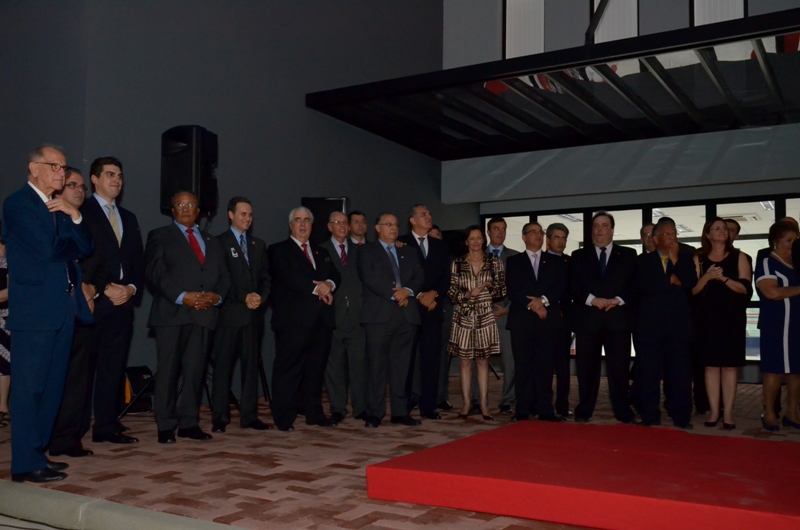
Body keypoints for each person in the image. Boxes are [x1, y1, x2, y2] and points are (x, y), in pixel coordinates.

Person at [2, 144, 94, 483]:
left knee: (53, 387)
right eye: (55, 166)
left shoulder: (60, 207)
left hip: (63, 308)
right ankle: (25, 464)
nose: (62, 173)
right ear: (34, 168)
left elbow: (87, 247)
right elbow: (48, 249)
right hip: (35, 311)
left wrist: (75, 215)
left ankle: (38, 453)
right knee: (29, 389)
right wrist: (69, 241)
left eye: (64, 167)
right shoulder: (18, 204)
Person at [145, 191, 230, 444]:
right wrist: (183, 296)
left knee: (195, 373)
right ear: (172, 210)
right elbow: (155, 273)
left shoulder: (212, 241)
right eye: (180, 204)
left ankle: (189, 423)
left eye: (190, 204)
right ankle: (165, 426)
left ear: (198, 211)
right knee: (168, 373)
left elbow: (224, 276)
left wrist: (216, 297)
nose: (185, 208)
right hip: (172, 315)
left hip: (204, 315)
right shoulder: (160, 235)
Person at [79, 157, 144, 446]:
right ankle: (75, 429)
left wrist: (130, 289)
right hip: (94, 301)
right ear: (94, 179)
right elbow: (82, 259)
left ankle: (106, 426)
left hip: (123, 304)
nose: (117, 179)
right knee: (84, 370)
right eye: (109, 174)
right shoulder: (82, 211)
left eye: (119, 175)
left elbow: (138, 261)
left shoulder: (129, 217)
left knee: (113, 367)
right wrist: (103, 288)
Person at [49, 168, 108, 458]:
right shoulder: (47, 218)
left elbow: (102, 260)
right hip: (52, 310)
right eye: (72, 185)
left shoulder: (87, 222)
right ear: (58, 188)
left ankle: (68, 439)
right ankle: (46, 437)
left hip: (82, 311)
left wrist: (93, 289)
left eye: (82, 187)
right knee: (51, 379)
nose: (78, 191)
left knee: (77, 380)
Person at [268, 206, 340, 431]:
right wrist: (319, 289)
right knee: (288, 371)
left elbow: (334, 274)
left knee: (316, 370)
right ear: (291, 225)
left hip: (321, 321)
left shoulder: (321, 252)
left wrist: (329, 284)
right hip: (293, 322)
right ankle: (284, 418)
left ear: (312, 225)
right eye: (298, 220)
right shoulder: (278, 250)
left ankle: (314, 413)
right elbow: (289, 277)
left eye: (307, 220)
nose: (302, 224)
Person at [211, 197, 272, 433]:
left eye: (250, 215)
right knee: (223, 368)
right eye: (243, 214)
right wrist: (244, 296)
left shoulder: (258, 244)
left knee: (250, 369)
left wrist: (260, 297)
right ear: (231, 215)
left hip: (253, 317)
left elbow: (266, 278)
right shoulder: (219, 243)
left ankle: (249, 417)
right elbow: (222, 278)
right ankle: (220, 418)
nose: (247, 218)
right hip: (229, 316)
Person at [358, 212, 424, 428]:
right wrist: (396, 294)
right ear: (377, 228)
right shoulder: (367, 251)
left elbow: (419, 275)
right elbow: (369, 278)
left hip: (406, 316)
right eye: (388, 224)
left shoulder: (409, 251)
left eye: (395, 225)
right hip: (378, 317)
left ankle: (400, 412)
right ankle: (375, 412)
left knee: (401, 367)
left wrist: (408, 291)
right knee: (376, 367)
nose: (393, 228)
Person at [570, 212, 637, 424]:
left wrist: (618, 299)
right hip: (588, 321)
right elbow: (573, 284)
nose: (599, 230)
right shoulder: (578, 255)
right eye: (596, 226)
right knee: (586, 370)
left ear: (612, 230)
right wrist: (592, 299)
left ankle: (622, 411)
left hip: (618, 321)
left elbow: (635, 284)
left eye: (604, 225)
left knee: (619, 370)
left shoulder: (629, 255)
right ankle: (584, 410)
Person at [634, 217, 697, 429]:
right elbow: (644, 286)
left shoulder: (685, 258)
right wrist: (670, 280)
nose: (671, 238)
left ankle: (681, 416)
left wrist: (675, 260)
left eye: (674, 234)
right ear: (655, 239)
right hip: (650, 327)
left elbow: (690, 283)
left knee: (680, 374)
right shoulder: (642, 261)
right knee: (649, 374)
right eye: (666, 234)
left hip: (678, 327)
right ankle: (650, 415)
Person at [691, 217, 751, 430]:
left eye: (724, 228)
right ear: (707, 234)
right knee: (710, 366)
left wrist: (724, 279)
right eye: (716, 228)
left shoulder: (739, 256)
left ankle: (728, 413)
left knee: (729, 367)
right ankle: (714, 411)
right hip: (706, 319)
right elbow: (692, 291)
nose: (721, 231)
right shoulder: (699, 258)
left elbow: (745, 289)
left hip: (732, 319)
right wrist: (707, 277)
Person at [505, 222, 567, 422]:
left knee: (545, 367)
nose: (538, 235)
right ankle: (522, 410)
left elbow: (560, 287)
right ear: (524, 237)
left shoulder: (555, 261)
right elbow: (513, 288)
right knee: (523, 367)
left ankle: (545, 410)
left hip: (547, 321)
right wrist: (533, 305)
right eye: (533, 232)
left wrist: (543, 301)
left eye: (540, 232)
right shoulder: (514, 261)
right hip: (522, 321)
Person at [447, 226, 506, 420]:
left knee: (482, 360)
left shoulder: (494, 262)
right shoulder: (457, 263)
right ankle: (466, 403)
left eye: (479, 238)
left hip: (485, 315)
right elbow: (451, 292)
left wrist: (489, 287)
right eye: (472, 238)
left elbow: (502, 289)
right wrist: (468, 294)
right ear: (466, 242)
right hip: (463, 315)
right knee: (464, 361)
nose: (475, 242)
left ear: (483, 240)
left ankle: (484, 404)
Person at [398, 204, 450, 420]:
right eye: (423, 214)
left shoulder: (440, 246)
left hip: (433, 308)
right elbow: (399, 276)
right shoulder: (401, 243)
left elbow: (446, 276)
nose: (429, 217)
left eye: (429, 214)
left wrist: (434, 294)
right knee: (407, 359)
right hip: (409, 308)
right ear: (412, 220)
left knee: (431, 359)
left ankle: (429, 406)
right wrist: (420, 295)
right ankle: (406, 403)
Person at [322, 211, 367, 424]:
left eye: (344, 223)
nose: (342, 226)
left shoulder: (361, 251)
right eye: (337, 222)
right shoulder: (321, 250)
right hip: (333, 317)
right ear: (329, 227)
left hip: (358, 317)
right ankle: (338, 408)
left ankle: (361, 408)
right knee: (334, 368)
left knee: (359, 366)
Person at [755, 220, 800, 432]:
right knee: (774, 370)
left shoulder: (798, 265)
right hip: (776, 326)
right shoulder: (767, 262)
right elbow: (771, 292)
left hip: (796, 325)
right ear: (776, 241)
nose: (793, 245)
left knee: (796, 371)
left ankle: (792, 413)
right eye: (788, 240)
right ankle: (770, 413)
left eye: (795, 240)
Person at [486, 217, 519, 415]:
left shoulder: (515, 257)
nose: (500, 232)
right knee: (478, 361)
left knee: (510, 361)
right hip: (481, 315)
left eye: (504, 229)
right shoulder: (475, 254)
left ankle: (507, 400)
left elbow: (520, 288)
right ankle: (477, 400)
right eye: (496, 228)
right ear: (488, 232)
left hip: (506, 314)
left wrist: (507, 309)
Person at [546, 223, 572, 418]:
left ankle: (563, 405)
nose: (561, 241)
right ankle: (544, 405)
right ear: (548, 239)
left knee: (563, 367)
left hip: (564, 321)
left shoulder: (570, 262)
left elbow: (573, 290)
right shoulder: (540, 260)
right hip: (544, 320)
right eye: (557, 237)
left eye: (564, 238)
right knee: (544, 366)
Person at [0, 221, 9, 428]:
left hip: (6, 317)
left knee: (4, 365)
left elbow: (11, 291)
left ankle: (2, 408)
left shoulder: (10, 261)